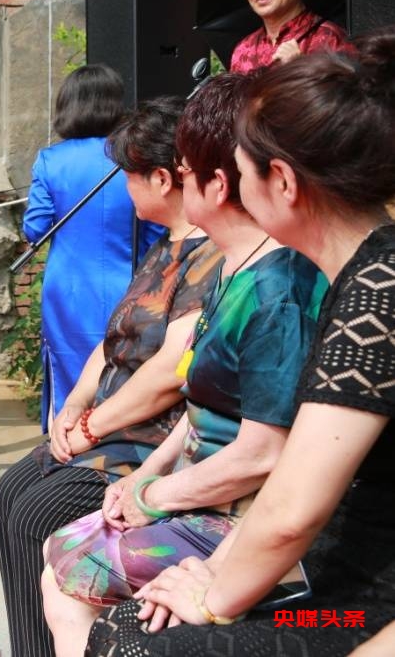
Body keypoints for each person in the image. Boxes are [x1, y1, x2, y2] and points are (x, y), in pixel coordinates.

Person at [87, 30, 395, 656]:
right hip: (314, 572)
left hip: (348, 611)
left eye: (239, 168)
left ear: (280, 181)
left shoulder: (375, 294)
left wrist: (211, 598)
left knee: (135, 641)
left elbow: (292, 511)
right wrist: (210, 572)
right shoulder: (357, 272)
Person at [38, 73, 328, 657]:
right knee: (58, 554)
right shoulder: (230, 268)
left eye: (188, 175)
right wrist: (149, 479)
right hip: (201, 490)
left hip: (235, 513)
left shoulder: (277, 290)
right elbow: (200, 411)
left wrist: (153, 495)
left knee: (71, 565)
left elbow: (262, 453)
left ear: (217, 185)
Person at [0, 97, 223, 657]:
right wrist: (71, 407)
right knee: (10, 492)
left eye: (128, 176)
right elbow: (112, 341)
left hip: (142, 440)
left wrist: (92, 429)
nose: (122, 188)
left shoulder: (211, 256)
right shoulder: (160, 249)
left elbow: (170, 372)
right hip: (111, 425)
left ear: (163, 178)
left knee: (37, 512)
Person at [23, 64, 159, 428]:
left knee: (67, 368)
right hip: (127, 283)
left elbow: (35, 228)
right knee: (120, 370)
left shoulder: (51, 160)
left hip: (66, 288)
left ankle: (64, 450)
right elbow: (154, 230)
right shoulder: (130, 159)